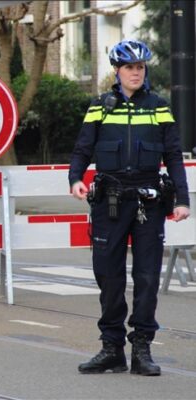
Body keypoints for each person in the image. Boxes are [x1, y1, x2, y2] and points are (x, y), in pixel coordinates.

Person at [69, 39, 190, 376]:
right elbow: (82, 148)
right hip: (109, 202)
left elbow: (173, 156)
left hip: (149, 202)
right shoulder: (100, 106)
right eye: (129, 68)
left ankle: (142, 349)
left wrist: (182, 200)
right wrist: (75, 178)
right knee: (108, 276)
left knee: (147, 277)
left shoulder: (159, 106)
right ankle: (111, 348)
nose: (136, 73)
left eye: (140, 67)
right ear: (117, 71)